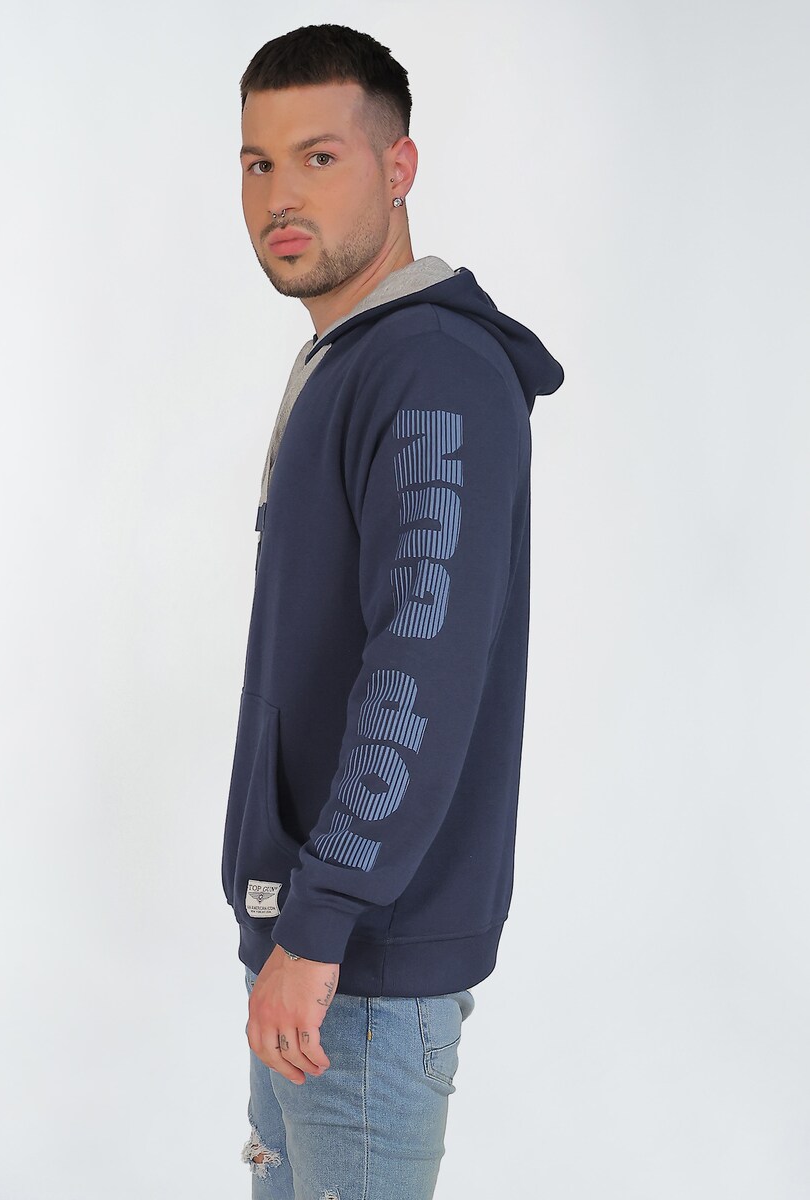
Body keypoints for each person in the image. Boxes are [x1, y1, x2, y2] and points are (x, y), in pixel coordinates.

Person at [221, 23, 564, 1199]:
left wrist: (322, 923)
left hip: (355, 974)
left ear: (399, 166)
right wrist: (295, 927)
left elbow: (419, 663)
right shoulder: (356, 361)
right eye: (260, 163)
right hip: (311, 952)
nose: (281, 195)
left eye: (320, 157)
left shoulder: (432, 372)